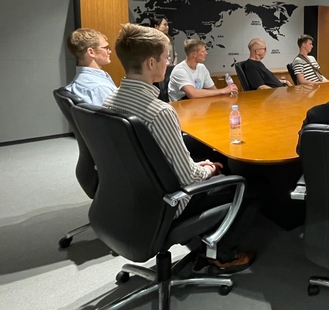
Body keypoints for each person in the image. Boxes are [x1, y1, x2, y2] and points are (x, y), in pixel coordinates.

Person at [102, 24, 256, 273]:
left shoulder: (109, 101)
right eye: (166, 58)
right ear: (151, 63)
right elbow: (189, 178)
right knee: (250, 185)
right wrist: (208, 168)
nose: (168, 63)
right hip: (167, 203)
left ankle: (197, 240)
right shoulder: (159, 112)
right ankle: (223, 255)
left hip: (128, 197)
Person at [168, 39, 237, 101]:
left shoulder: (202, 67)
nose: (206, 53)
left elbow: (214, 91)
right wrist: (223, 90)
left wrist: (228, 92)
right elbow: (193, 94)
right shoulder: (179, 70)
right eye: (203, 51)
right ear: (194, 54)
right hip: (179, 107)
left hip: (196, 105)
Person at [65, 28, 117, 105]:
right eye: (106, 48)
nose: (109, 51)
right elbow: (111, 117)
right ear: (91, 52)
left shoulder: (77, 83)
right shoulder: (100, 88)